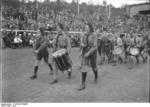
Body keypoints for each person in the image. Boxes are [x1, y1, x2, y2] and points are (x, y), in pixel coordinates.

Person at [78, 23, 98, 91]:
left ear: (90, 28)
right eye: (85, 27)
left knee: (93, 67)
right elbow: (81, 43)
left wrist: (88, 53)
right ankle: (83, 84)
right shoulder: (83, 35)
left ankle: (96, 77)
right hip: (85, 52)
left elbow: (95, 47)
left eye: (87, 27)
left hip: (92, 53)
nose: (86, 29)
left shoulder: (94, 35)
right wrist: (80, 50)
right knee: (84, 67)